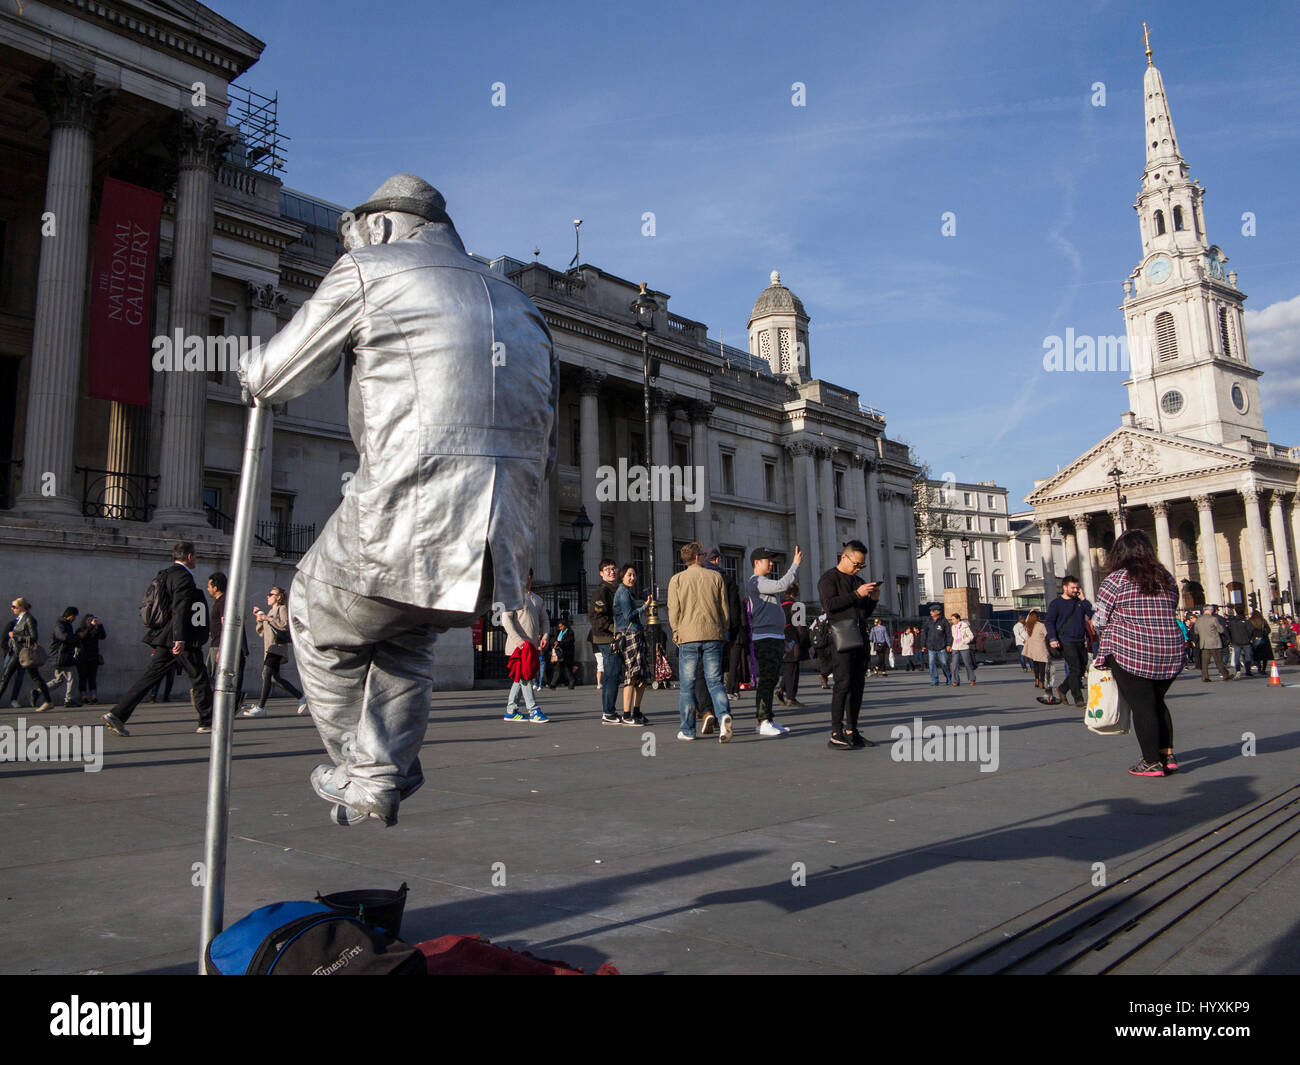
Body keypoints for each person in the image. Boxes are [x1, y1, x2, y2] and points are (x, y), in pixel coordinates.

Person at [240, 174, 558, 826]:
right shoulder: (518, 301)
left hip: (404, 513)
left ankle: (366, 771)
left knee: (308, 606)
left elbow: (276, 375)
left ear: (381, 225)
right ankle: (381, 774)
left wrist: (245, 363)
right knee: (404, 642)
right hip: (498, 547)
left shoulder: (368, 268)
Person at [1092, 529, 1185, 777]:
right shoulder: (1166, 578)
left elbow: (1099, 619)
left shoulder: (1116, 579)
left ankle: (1151, 761)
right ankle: (1167, 754)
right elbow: (1173, 606)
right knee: (1157, 702)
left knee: (1142, 705)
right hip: (1170, 649)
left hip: (1131, 650)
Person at [102, 542, 213, 736]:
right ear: (188, 556)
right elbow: (180, 609)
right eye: (195, 555)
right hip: (180, 638)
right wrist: (179, 639)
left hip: (164, 636)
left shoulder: (166, 573)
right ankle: (207, 721)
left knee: (149, 678)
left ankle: (117, 714)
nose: (196, 558)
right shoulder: (184, 577)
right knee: (199, 676)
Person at [667, 541, 733, 742]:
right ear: (697, 557)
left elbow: (673, 611)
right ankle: (723, 718)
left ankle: (688, 730)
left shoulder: (676, 580)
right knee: (715, 682)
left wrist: (677, 632)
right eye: (702, 554)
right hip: (713, 634)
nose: (704, 556)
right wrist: (723, 631)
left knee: (687, 686)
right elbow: (724, 610)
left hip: (688, 637)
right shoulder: (715, 577)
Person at [817, 540, 879, 750]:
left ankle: (852, 730)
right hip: (841, 637)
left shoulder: (857, 580)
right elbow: (830, 606)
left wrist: (872, 600)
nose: (858, 568)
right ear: (844, 557)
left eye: (862, 565)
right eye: (856, 564)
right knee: (842, 685)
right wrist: (856, 594)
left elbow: (863, 613)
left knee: (857, 686)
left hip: (860, 637)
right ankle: (836, 732)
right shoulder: (829, 578)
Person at [745, 545, 802, 737]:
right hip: (765, 637)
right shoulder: (756, 582)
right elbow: (781, 585)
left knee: (772, 678)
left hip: (774, 636)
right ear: (756, 563)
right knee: (767, 680)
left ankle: (768, 717)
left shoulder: (764, 582)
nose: (771, 563)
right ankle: (762, 721)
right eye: (768, 560)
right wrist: (794, 566)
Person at [241, 586, 306, 718]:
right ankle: (301, 696)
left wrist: (268, 619)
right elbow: (262, 633)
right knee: (274, 678)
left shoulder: (282, 608)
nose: (268, 596)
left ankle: (261, 706)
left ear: (278, 597)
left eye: (271, 594)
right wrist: (259, 620)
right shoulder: (270, 611)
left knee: (266, 673)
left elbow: (284, 625)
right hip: (270, 647)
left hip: (277, 647)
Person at [502, 568, 549, 723]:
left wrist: (546, 635)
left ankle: (511, 709)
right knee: (525, 676)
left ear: (530, 577)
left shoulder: (538, 599)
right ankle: (533, 709)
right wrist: (518, 640)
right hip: (518, 647)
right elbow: (506, 620)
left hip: (532, 646)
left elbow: (545, 621)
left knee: (519, 678)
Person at [1045, 575, 1093, 708]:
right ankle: (1078, 699)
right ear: (1065, 587)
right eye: (1072, 587)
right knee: (1075, 668)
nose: (1075, 590)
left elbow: (1092, 614)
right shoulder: (1056, 603)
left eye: (1077, 587)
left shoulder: (1079, 602)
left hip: (1079, 640)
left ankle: (1062, 689)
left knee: (1081, 668)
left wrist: (1083, 599)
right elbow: (1049, 622)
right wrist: (1053, 638)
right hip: (1065, 641)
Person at [613, 564, 652, 726]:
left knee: (641, 676)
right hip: (630, 636)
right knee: (632, 674)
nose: (632, 578)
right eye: (629, 574)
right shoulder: (622, 592)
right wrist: (645, 607)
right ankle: (626, 713)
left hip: (637, 634)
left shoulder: (628, 592)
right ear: (622, 576)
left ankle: (636, 710)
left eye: (634, 575)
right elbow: (629, 616)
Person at [589, 559, 624, 724]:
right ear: (601, 573)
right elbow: (597, 617)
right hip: (606, 638)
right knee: (612, 674)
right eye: (607, 569)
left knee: (613, 674)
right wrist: (614, 629)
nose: (611, 572)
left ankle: (608, 710)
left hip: (612, 636)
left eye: (613, 568)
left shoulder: (614, 590)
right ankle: (608, 711)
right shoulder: (601, 592)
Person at [2, 597, 52, 711]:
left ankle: (48, 701)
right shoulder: (19, 619)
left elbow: (34, 637)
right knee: (7, 677)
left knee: (7, 677)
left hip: (24, 653)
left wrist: (16, 636)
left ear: (21, 607)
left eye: (14, 606)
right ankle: (48, 701)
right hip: (17, 652)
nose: (12, 608)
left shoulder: (29, 619)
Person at [205, 572, 248, 700]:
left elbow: (227, 626)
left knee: (213, 676)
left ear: (215, 587)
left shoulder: (224, 602)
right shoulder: (222, 601)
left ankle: (221, 703)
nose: (208, 589)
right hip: (216, 643)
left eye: (209, 586)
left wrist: (221, 649)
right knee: (211, 676)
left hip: (219, 645)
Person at [777, 583, 810, 706]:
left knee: (787, 668)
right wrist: (805, 642)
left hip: (781, 637)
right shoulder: (797, 606)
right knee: (793, 669)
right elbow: (800, 627)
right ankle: (791, 697)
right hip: (793, 639)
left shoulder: (779, 605)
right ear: (796, 593)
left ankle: (781, 690)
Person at [1193, 605, 1234, 683]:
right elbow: (1220, 630)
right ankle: (1225, 675)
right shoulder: (1213, 619)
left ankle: (1205, 677)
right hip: (1214, 643)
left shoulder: (1199, 620)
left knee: (1205, 662)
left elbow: (1196, 631)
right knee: (1219, 661)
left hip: (1204, 643)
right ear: (1210, 610)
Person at [50, 606, 81, 707]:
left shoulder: (65, 624)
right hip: (61, 656)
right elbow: (64, 637)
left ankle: (38, 691)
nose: (74, 619)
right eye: (74, 616)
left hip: (61, 656)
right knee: (71, 676)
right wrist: (78, 636)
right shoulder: (61, 624)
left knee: (58, 680)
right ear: (70, 615)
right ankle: (69, 699)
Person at [74, 613, 106, 704]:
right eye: (88, 620)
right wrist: (91, 626)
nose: (91, 621)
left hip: (93, 657)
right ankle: (83, 696)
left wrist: (100, 626)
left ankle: (94, 696)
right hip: (82, 657)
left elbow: (103, 636)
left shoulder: (95, 631)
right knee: (82, 677)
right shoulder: (80, 630)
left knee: (92, 678)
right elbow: (83, 637)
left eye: (92, 620)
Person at [920, 606, 953, 686]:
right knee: (931, 664)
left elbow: (948, 634)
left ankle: (948, 677)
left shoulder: (944, 621)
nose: (931, 612)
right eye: (930, 611)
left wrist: (949, 644)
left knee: (944, 663)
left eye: (932, 611)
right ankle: (934, 679)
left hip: (941, 646)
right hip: (931, 646)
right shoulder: (928, 621)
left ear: (937, 612)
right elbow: (924, 633)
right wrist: (923, 645)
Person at [545, 616, 576, 689]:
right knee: (558, 668)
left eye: (561, 626)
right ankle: (553, 684)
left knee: (567, 668)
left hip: (567, 653)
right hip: (559, 653)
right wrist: (554, 642)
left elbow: (569, 641)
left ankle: (571, 682)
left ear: (565, 626)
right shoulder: (558, 632)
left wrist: (559, 643)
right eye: (559, 627)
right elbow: (553, 639)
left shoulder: (570, 632)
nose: (560, 628)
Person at [1023, 610, 1049, 688]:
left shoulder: (1028, 625)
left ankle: (1036, 680)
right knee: (1042, 666)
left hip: (1032, 648)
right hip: (1040, 647)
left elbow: (1027, 620)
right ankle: (1042, 682)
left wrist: (1030, 613)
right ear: (1037, 617)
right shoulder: (1041, 625)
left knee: (1036, 665)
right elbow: (1046, 634)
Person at [1226, 609, 1255, 677]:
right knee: (1247, 656)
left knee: (1237, 656)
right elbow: (1250, 631)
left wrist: (1231, 640)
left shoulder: (1232, 622)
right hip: (1246, 641)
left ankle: (1238, 670)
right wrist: (1249, 638)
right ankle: (1248, 670)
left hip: (1236, 642)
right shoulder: (1247, 622)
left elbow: (1229, 631)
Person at [950, 613, 976, 685]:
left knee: (967, 663)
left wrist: (965, 641)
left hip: (964, 647)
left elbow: (971, 636)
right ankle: (955, 680)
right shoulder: (953, 627)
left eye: (953, 619)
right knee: (954, 664)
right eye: (952, 619)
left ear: (958, 619)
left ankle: (972, 679)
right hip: (955, 647)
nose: (952, 621)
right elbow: (953, 637)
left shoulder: (965, 626)